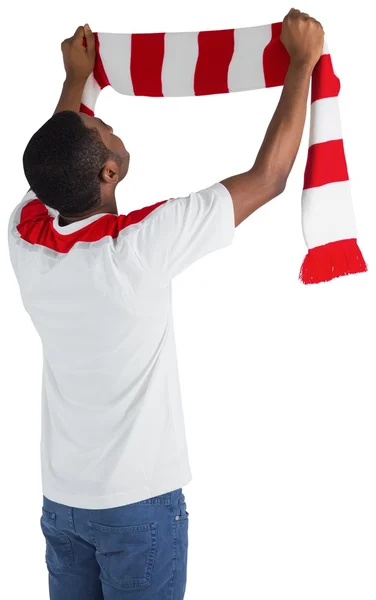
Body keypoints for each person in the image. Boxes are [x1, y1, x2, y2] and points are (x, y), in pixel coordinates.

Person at [8, 8, 324, 600]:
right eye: (105, 132)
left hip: (63, 504)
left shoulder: (25, 235)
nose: (105, 126)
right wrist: (302, 63)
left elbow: (58, 151)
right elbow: (270, 176)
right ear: (108, 171)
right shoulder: (137, 247)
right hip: (137, 509)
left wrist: (75, 79)